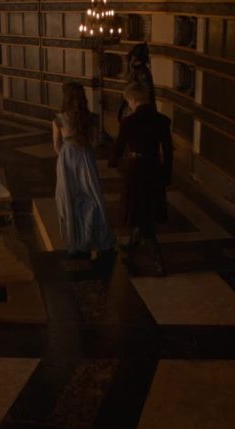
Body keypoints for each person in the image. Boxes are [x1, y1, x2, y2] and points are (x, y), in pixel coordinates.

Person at [109, 82, 173, 276]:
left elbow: (119, 146)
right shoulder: (162, 120)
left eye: (128, 101)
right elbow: (168, 151)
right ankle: (131, 249)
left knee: (141, 215)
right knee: (145, 210)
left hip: (136, 170)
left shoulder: (129, 121)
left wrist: (112, 161)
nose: (128, 104)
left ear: (133, 99)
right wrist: (166, 174)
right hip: (154, 168)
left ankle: (158, 262)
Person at [53, 82, 115, 259]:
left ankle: (76, 239)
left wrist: (67, 154)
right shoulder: (92, 118)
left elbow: (56, 146)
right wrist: (84, 150)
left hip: (67, 161)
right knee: (92, 197)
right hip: (86, 158)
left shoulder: (58, 119)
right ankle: (95, 237)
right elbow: (95, 142)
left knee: (70, 199)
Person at [117, 42, 156, 123]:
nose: (131, 58)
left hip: (136, 107)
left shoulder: (142, 73)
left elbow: (147, 94)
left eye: (133, 56)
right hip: (131, 103)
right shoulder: (135, 70)